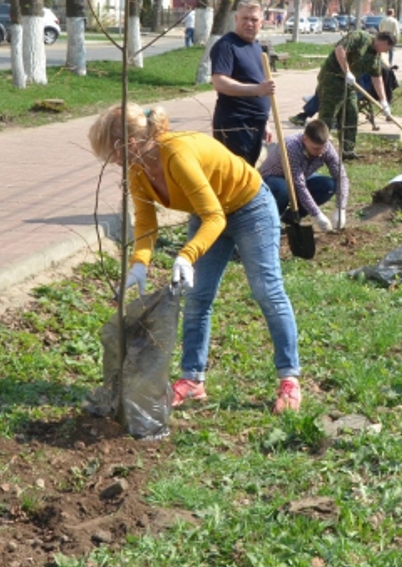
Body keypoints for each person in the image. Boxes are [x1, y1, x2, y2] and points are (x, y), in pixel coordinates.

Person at [87, 103, 302, 414]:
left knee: (266, 289)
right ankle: (192, 380)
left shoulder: (176, 154)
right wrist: (139, 263)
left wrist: (187, 255)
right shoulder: (136, 167)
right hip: (207, 212)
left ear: (128, 144)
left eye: (110, 152)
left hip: (249, 205)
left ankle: (289, 379)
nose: (109, 161)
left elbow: (214, 216)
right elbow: (147, 223)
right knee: (198, 297)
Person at [209, 0, 274, 166]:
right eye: (245, 18)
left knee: (248, 173)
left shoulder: (256, 47)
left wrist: (265, 121)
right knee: (236, 176)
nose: (249, 23)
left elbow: (258, 82)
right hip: (235, 125)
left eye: (254, 20)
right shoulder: (226, 46)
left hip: (255, 124)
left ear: (261, 22)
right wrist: (256, 90)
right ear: (236, 19)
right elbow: (219, 82)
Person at [257, 118, 349, 233]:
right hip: (271, 180)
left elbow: (342, 177)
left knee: (329, 186)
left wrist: (341, 208)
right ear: (305, 139)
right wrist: (317, 214)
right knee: (284, 188)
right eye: (315, 148)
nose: (320, 152)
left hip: (300, 177)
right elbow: (299, 185)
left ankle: (291, 216)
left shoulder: (327, 149)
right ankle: (271, 222)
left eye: (323, 147)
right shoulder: (291, 147)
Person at [315, 29, 396, 159]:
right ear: (383, 42)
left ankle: (347, 151)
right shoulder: (359, 37)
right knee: (328, 116)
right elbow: (340, 49)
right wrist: (347, 71)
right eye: (387, 48)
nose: (386, 52)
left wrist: (383, 101)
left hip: (350, 84)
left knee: (351, 114)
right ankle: (317, 148)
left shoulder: (375, 57)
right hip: (332, 79)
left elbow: (377, 78)